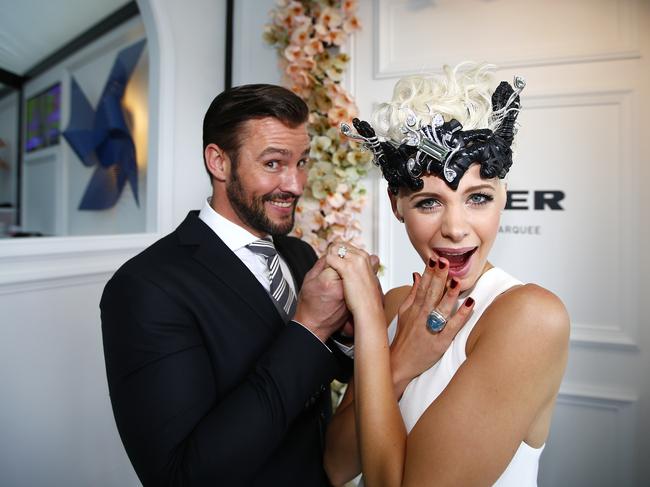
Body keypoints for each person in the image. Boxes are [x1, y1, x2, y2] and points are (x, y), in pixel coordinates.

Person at [323, 63, 570, 486]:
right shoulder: (398, 303)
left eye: (477, 198)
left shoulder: (530, 319)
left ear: (502, 197)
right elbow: (337, 464)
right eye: (428, 203)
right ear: (396, 204)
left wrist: (364, 314)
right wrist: (398, 362)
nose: (456, 228)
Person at [101, 84, 356, 486]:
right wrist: (310, 328)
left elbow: (325, 372)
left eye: (302, 162)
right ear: (219, 162)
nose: (294, 184)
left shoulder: (299, 255)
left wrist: (347, 333)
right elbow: (181, 476)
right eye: (273, 163)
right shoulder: (144, 287)